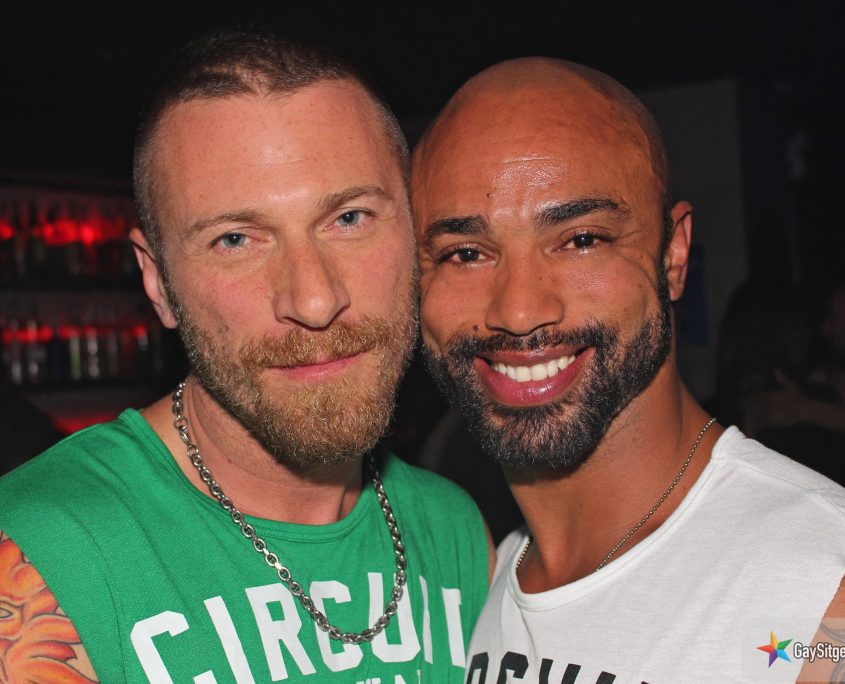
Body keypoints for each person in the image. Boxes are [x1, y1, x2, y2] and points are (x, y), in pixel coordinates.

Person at [0, 30, 489, 683]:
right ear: (157, 282)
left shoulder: (454, 530)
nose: (314, 300)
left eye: (349, 219)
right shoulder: (43, 554)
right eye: (235, 239)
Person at [411, 57, 845, 682]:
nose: (519, 310)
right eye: (466, 253)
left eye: (581, 239)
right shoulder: (487, 578)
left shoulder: (820, 587)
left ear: (674, 255)